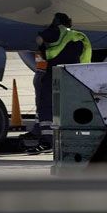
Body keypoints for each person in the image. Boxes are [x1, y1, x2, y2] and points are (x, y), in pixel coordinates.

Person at [26, 12, 91, 152]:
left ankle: (48, 141)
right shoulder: (78, 36)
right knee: (69, 108)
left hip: (54, 74)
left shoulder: (56, 31)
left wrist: (42, 47)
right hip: (73, 75)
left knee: (46, 105)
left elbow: (39, 40)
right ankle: (74, 140)